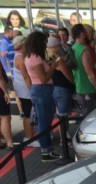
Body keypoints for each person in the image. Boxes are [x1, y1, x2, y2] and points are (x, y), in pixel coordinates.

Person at [24, 31, 62, 161]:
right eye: (44, 42)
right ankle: (46, 151)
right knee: (44, 123)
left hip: (40, 89)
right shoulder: (35, 57)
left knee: (44, 121)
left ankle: (48, 150)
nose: (46, 45)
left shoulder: (30, 56)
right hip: (42, 89)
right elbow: (44, 78)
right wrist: (53, 66)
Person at [12, 35, 38, 147]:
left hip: (22, 90)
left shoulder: (18, 56)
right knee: (28, 114)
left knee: (27, 113)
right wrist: (32, 90)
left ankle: (29, 136)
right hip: (25, 91)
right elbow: (26, 76)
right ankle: (29, 138)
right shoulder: (20, 58)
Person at [71, 23, 96, 117]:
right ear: (82, 34)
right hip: (88, 88)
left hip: (78, 87)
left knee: (84, 117)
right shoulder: (84, 49)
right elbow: (89, 72)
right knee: (92, 117)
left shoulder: (72, 48)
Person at [46, 36, 74, 126]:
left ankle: (50, 134)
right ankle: (64, 135)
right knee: (63, 114)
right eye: (58, 46)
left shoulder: (44, 58)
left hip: (50, 87)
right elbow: (67, 73)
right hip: (61, 88)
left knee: (50, 112)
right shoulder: (57, 59)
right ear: (55, 47)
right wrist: (74, 83)